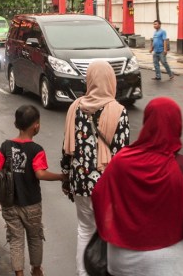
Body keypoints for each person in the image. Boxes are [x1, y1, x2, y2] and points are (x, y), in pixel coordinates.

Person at [92, 97, 183, 276]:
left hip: (122, 260)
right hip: (169, 264)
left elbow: (98, 197)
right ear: (177, 125)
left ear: (147, 122)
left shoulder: (121, 161)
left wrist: (121, 226)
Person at [61, 60, 130, 276]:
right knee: (107, 233)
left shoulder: (75, 107)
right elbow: (122, 153)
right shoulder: (118, 111)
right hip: (107, 184)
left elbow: (67, 147)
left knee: (84, 230)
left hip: (80, 181)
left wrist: (66, 176)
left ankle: (83, 273)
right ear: (111, 80)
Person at [0, 105, 64, 276]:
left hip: (9, 203)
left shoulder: (6, 146)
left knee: (15, 240)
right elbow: (40, 173)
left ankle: (19, 274)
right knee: (35, 237)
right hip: (31, 204)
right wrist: (61, 177)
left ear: (16, 123)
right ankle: (36, 270)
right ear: (36, 126)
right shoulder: (36, 149)